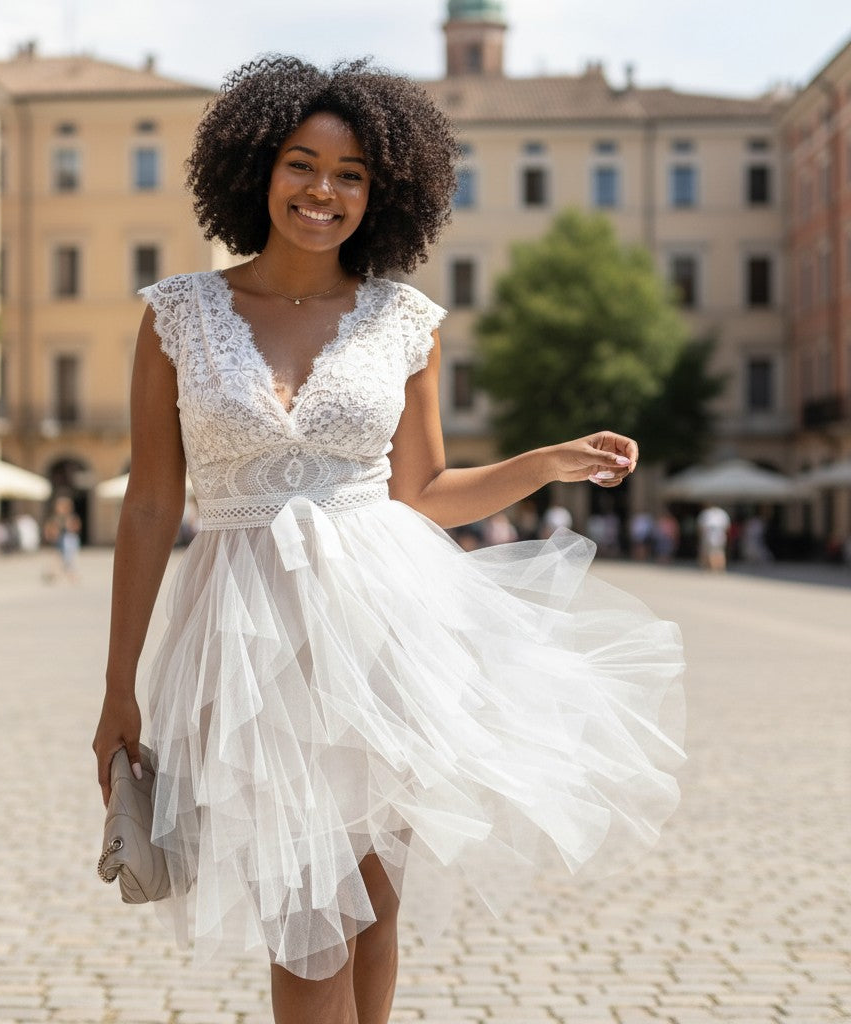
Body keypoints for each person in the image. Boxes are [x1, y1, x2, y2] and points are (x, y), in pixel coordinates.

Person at [92, 57, 685, 1024]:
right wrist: (120, 684)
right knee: (306, 906)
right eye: (302, 163)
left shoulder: (404, 321)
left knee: (372, 902)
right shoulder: (178, 318)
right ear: (258, 169)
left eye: (353, 172)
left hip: (385, 630)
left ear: (383, 190)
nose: (324, 190)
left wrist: (542, 463)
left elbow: (422, 493)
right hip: (248, 638)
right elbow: (153, 506)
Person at [43, 495, 81, 582]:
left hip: (69, 540)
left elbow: (76, 526)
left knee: (68, 558)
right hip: (61, 540)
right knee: (59, 557)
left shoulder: (71, 517)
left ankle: (70, 575)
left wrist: (70, 527)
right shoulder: (57, 517)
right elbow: (50, 527)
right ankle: (56, 574)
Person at [697, 504, 731, 572]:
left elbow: (701, 527)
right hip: (718, 536)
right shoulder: (722, 513)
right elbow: (727, 527)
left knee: (712, 552)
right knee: (718, 552)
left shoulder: (707, 513)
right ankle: (718, 568)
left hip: (712, 536)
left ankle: (714, 568)